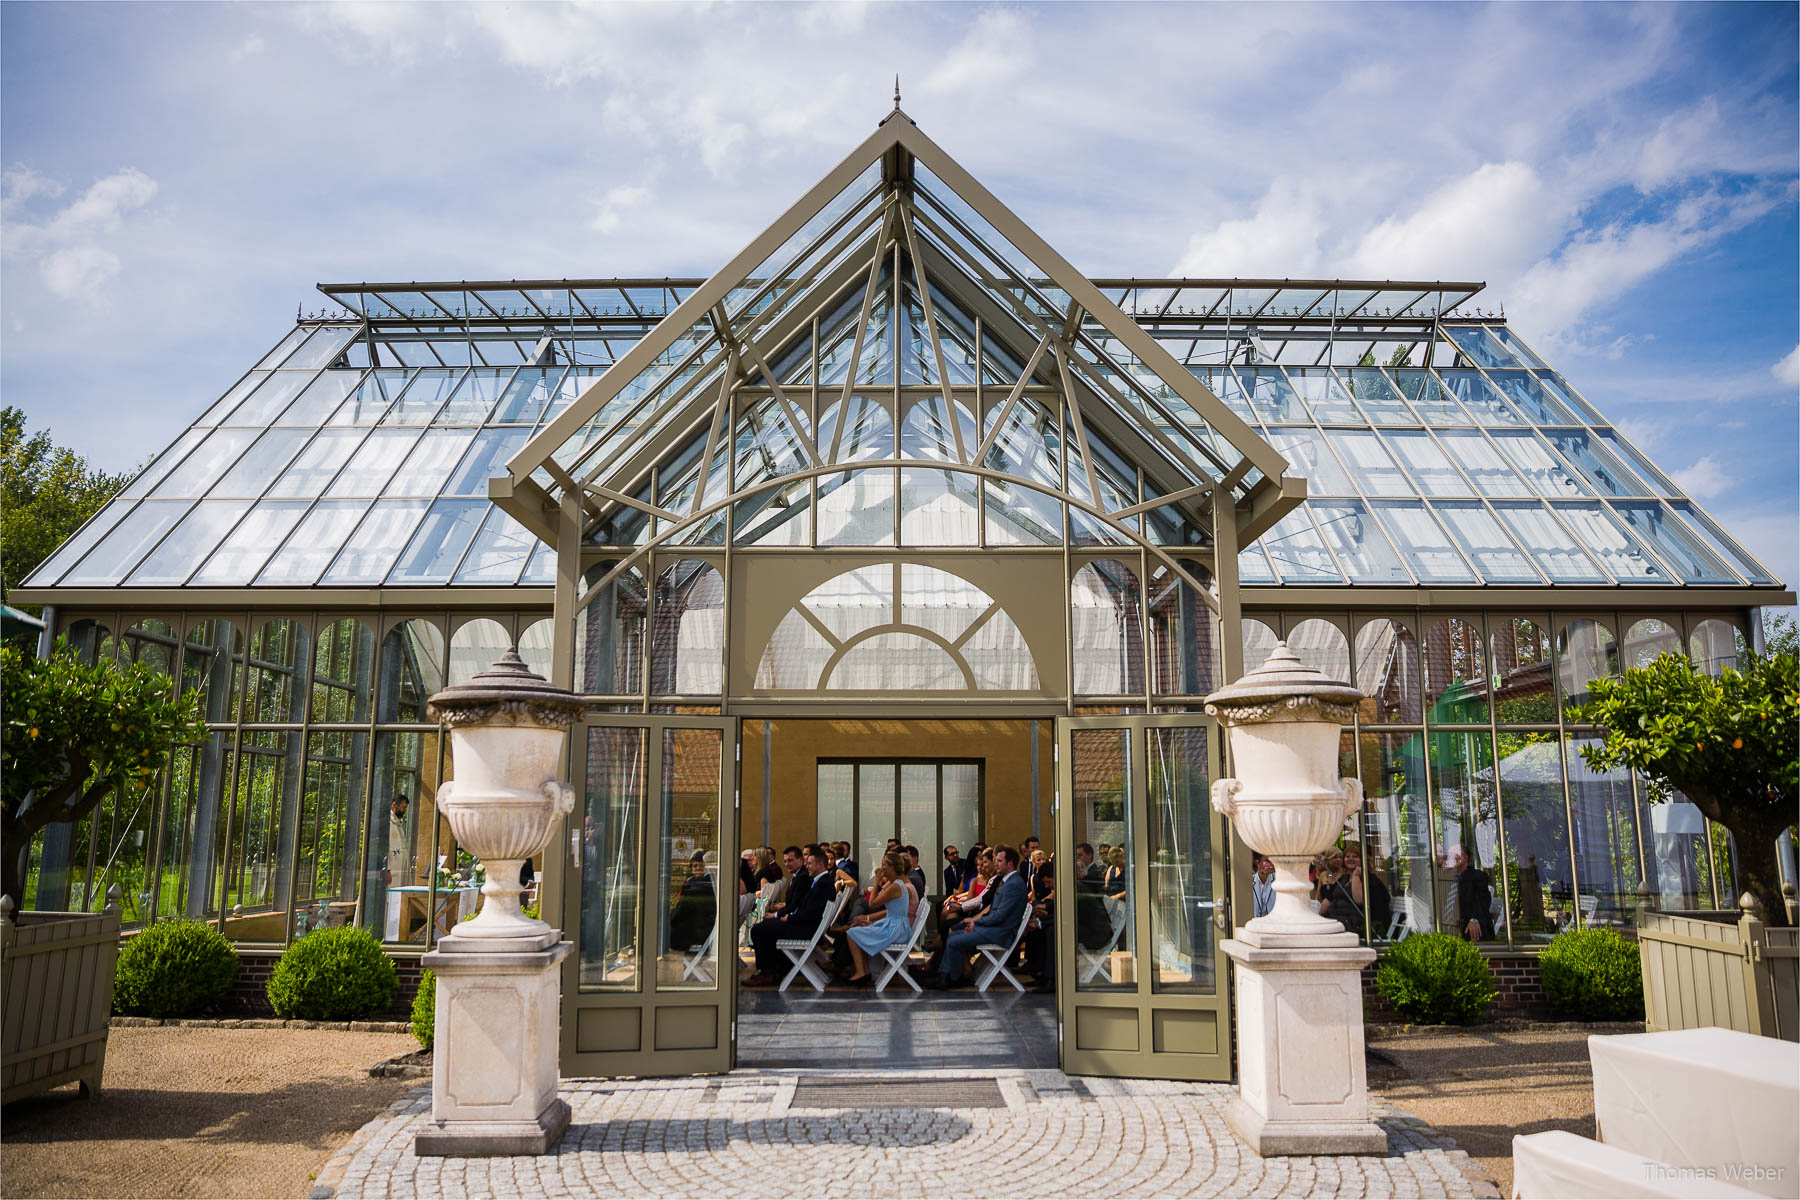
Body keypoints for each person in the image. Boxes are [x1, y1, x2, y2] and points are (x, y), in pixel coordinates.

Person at [930, 845, 1028, 988]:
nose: (996, 864)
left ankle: (949, 978)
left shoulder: (1013, 884)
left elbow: (999, 916)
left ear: (1010, 864)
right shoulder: (1009, 882)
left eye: (999, 861)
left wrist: (977, 923)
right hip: (995, 928)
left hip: (1001, 933)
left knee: (954, 939)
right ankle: (950, 976)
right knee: (953, 933)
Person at [745, 844, 835, 985]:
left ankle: (768, 972)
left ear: (820, 864)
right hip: (807, 926)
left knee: (759, 930)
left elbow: (811, 913)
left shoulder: (822, 884)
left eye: (810, 864)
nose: (807, 866)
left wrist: (789, 918)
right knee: (765, 926)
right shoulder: (821, 881)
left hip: (805, 930)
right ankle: (775, 968)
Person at [845, 853, 912, 986]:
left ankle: (861, 972)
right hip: (896, 926)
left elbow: (872, 903)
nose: (881, 868)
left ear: (891, 867)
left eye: (883, 865)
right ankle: (864, 971)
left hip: (895, 930)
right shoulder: (897, 884)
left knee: (852, 934)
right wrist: (871, 922)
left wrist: (877, 881)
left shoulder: (895, 887)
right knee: (857, 929)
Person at [669, 851, 717, 951]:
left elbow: (680, 912)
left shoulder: (693, 886)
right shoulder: (709, 883)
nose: (698, 868)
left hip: (694, 935)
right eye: (695, 866)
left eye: (701, 866)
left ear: (706, 867)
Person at [1449, 845, 1495, 941]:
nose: (1451, 858)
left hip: (1470, 925)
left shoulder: (1478, 877)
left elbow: (1483, 901)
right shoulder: (1446, 878)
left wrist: (1474, 919)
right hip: (1448, 925)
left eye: (1455, 855)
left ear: (1465, 858)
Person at [1251, 851, 1276, 919]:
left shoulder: (1278, 881)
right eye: (1267, 861)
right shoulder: (1249, 882)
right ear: (1258, 863)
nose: (1271, 864)